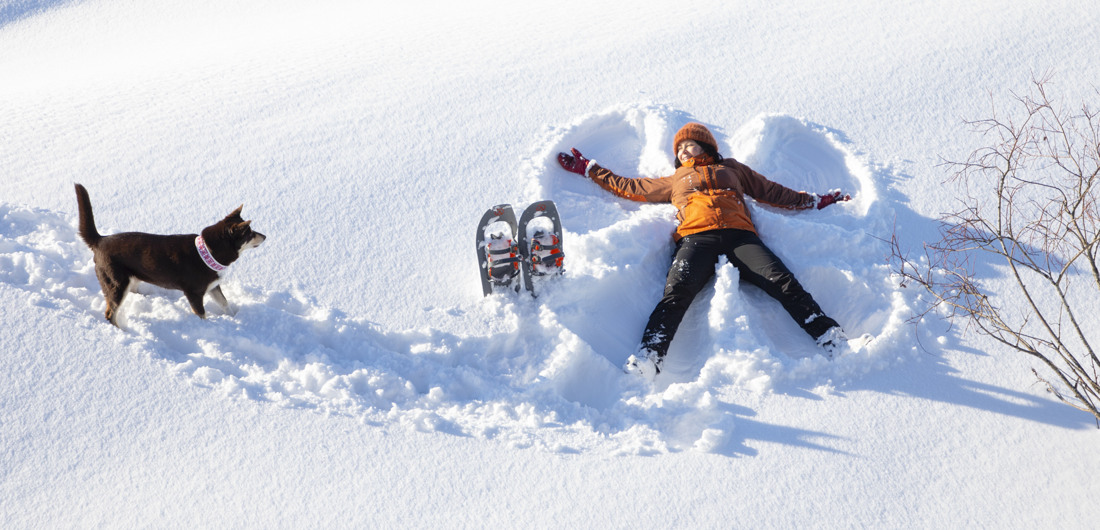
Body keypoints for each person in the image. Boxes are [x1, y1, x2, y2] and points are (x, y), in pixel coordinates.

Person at [557, 122, 851, 377]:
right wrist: (591, 170)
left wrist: (813, 200)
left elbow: (771, 191)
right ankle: (650, 356)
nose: (683, 151)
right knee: (677, 292)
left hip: (741, 237)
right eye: (680, 149)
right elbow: (633, 187)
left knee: (783, 281)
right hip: (696, 239)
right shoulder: (676, 180)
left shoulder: (731, 169)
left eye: (689, 145)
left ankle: (829, 336)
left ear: (705, 145)